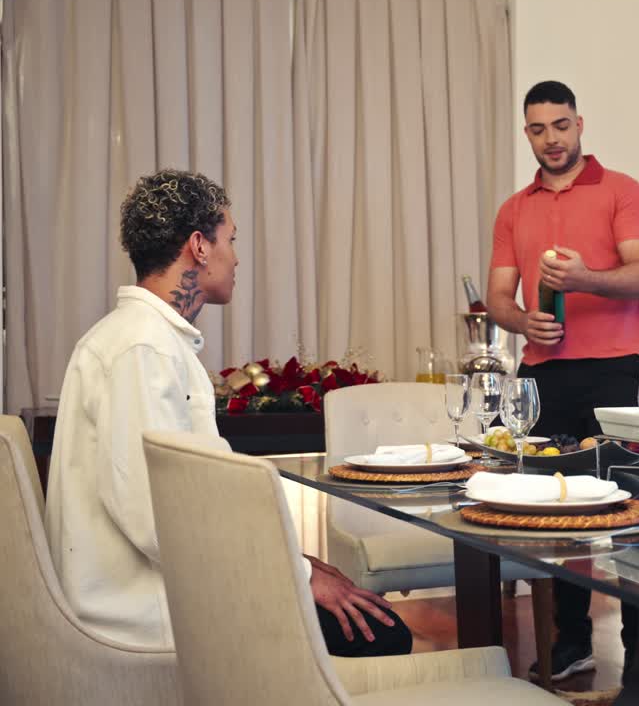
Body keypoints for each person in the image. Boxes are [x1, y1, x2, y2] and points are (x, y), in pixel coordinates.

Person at [44, 169, 412, 657]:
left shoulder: (144, 339)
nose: (235, 258)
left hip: (163, 590)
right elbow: (155, 517)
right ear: (199, 246)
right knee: (381, 632)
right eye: (230, 240)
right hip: (143, 613)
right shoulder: (143, 349)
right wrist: (293, 574)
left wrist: (298, 563)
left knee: (363, 612)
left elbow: (194, 501)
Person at [486, 80, 639, 682]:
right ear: (526, 133)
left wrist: (584, 277)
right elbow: (496, 299)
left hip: (616, 372)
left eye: (560, 126)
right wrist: (521, 318)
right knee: (556, 515)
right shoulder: (514, 207)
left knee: (631, 508)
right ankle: (572, 643)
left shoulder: (623, 190)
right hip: (543, 374)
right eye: (538, 129)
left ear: (579, 124)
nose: (551, 139)